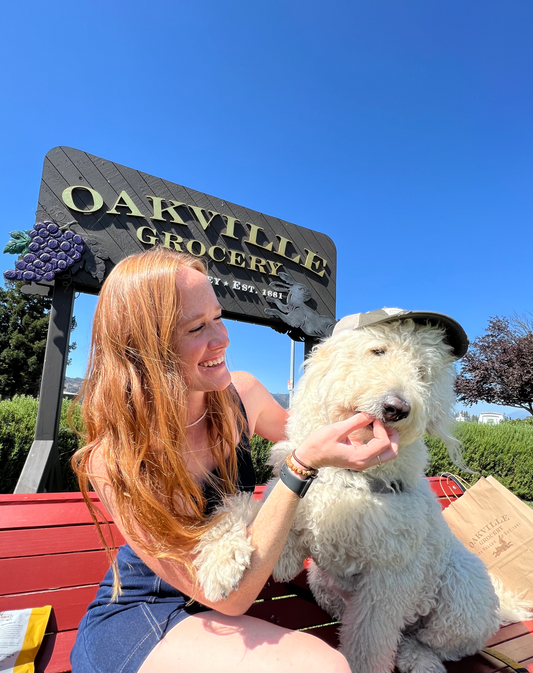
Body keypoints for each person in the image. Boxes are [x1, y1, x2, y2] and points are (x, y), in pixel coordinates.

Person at [70, 247, 399, 673]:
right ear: (145, 350)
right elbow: (230, 596)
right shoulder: (114, 459)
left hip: (225, 614)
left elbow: (321, 434)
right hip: (150, 612)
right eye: (196, 328)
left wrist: (380, 397)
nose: (223, 339)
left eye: (218, 317)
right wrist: (301, 466)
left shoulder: (242, 397)